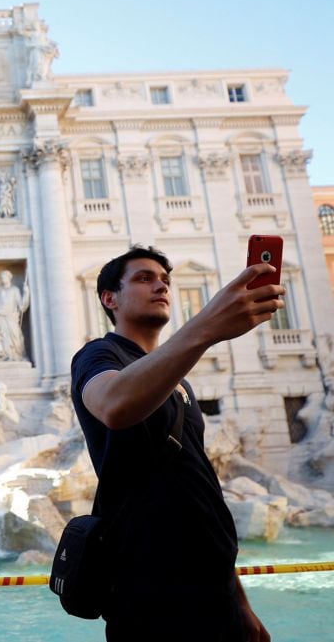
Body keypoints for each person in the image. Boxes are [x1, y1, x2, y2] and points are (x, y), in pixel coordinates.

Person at [71, 246, 276, 641]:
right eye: (144, 278)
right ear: (109, 298)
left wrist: (241, 603)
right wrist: (206, 327)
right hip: (151, 592)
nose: (161, 285)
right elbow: (113, 405)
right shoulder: (98, 355)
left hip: (214, 592)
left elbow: (200, 492)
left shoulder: (178, 381)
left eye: (165, 279)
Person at [0, 270, 31, 365]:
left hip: (11, 317)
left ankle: (16, 356)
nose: (3, 279)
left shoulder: (15, 290)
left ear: (9, 278)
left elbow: (22, 306)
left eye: (4, 277)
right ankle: (2, 356)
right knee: (1, 338)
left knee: (16, 337)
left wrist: (26, 293)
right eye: (1, 277)